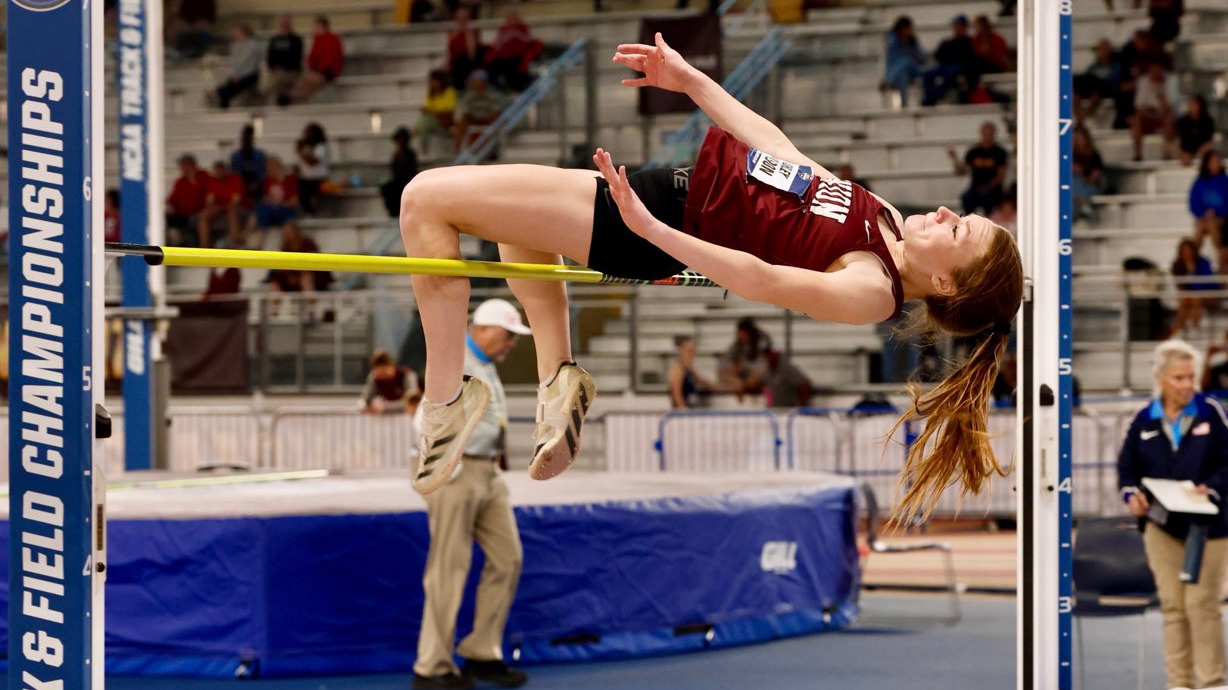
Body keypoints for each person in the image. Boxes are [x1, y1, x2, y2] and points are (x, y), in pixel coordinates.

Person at [398, 33, 1024, 521]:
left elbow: (759, 280)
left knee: (425, 199)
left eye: (958, 230)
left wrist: (654, 233)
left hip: (661, 221)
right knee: (516, 229)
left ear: (949, 286)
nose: (946, 213)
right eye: (960, 215)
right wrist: (688, 79)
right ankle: (557, 378)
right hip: (668, 193)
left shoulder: (871, 286)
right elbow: (779, 149)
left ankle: (446, 401)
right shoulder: (883, 219)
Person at [412, 298, 530, 690]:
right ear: (483, 329)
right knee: (449, 566)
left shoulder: (483, 366)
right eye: (508, 335)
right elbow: (424, 417)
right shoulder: (455, 359)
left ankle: (482, 650)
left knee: (507, 557)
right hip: (456, 470)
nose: (511, 343)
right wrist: (444, 464)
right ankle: (431, 665)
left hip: (486, 471)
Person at [1117, 339, 1228, 690]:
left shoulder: (1211, 412)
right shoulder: (1144, 420)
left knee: (1200, 604)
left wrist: (1209, 487)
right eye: (1179, 378)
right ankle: (1179, 684)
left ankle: (1212, 682)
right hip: (1161, 527)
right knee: (1173, 606)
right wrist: (1132, 495)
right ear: (1161, 378)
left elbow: (1227, 464)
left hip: (1208, 526)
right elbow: (1127, 468)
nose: (1186, 385)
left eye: (1190, 377)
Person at [950, 121, 1009, 216]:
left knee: (988, 198)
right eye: (985, 133)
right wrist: (954, 158)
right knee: (966, 198)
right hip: (975, 187)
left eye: (990, 133)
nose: (987, 136)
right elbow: (961, 171)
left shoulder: (1000, 152)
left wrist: (986, 187)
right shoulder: (974, 151)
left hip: (993, 188)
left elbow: (1000, 176)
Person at [284, 16, 344, 105]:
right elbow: (312, 58)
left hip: (328, 72)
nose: (314, 29)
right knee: (305, 81)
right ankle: (293, 96)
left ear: (321, 26)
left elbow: (331, 59)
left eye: (316, 26)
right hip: (319, 71)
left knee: (309, 82)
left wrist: (319, 70)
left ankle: (292, 97)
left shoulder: (333, 39)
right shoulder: (317, 39)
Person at [921, 15, 979, 107]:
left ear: (964, 27)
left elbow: (971, 60)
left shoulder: (969, 42)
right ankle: (930, 97)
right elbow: (937, 55)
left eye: (959, 25)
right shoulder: (948, 42)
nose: (956, 28)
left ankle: (933, 97)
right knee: (927, 74)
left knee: (951, 74)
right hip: (945, 67)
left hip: (959, 68)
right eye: (955, 25)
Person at [244, 156, 299, 245]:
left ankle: (254, 238)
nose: (268, 170)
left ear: (277, 166)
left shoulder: (289, 179)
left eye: (269, 167)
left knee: (287, 226)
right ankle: (253, 240)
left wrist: (279, 203)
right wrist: (270, 201)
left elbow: (294, 201)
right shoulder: (268, 181)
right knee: (259, 209)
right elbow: (266, 198)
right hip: (270, 211)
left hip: (285, 210)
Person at [1130, 61, 1178, 161]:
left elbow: (1168, 108)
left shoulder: (1172, 80)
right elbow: (1139, 107)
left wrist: (1159, 93)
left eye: (1157, 69)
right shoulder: (1144, 81)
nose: (1155, 73)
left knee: (1169, 119)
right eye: (1152, 70)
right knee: (1136, 119)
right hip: (1149, 115)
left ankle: (1168, 154)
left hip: (1165, 115)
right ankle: (1138, 155)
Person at [484, 8, 540, 92]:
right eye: (508, 17)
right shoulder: (503, 29)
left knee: (512, 66)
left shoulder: (522, 28)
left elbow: (527, 42)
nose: (510, 19)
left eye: (512, 16)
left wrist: (513, 32)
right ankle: (497, 89)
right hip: (503, 57)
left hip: (518, 56)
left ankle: (517, 88)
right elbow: (497, 45)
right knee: (492, 65)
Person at [1169, 238, 1217, 337]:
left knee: (1195, 297)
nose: (1187, 253)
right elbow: (1181, 286)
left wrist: (1193, 272)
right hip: (1190, 295)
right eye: (1184, 251)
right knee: (1186, 300)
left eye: (1189, 250)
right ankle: (1182, 328)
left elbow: (1207, 282)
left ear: (1194, 251)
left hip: (1208, 293)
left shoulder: (1203, 262)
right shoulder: (1178, 265)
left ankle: (1195, 328)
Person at [717, 316, 772, 401]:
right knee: (722, 372)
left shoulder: (763, 342)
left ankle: (768, 401)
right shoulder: (737, 345)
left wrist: (744, 367)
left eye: (741, 332)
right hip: (742, 380)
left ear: (748, 332)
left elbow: (765, 364)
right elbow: (723, 363)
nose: (739, 335)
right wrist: (732, 368)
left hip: (759, 377)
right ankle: (741, 394)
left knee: (759, 372)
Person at [1190, 150, 1228, 271]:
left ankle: (1221, 256)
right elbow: (1193, 204)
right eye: (1213, 161)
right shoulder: (1199, 182)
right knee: (1201, 225)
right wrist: (1203, 213)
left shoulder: (1225, 181)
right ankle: (1192, 259)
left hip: (1221, 218)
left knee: (1211, 224)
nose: (1216, 163)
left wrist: (1215, 212)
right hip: (1204, 218)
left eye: (1218, 161)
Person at [198, 160, 247, 248]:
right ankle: (204, 245)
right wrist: (215, 207)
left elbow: (236, 200)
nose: (219, 172)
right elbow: (209, 201)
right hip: (218, 207)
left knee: (231, 210)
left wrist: (225, 205)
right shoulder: (212, 181)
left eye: (221, 170)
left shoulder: (235, 180)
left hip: (233, 207)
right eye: (217, 170)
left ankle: (235, 241)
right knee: (203, 215)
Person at [165, 154, 212, 247]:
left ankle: (204, 247)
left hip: (199, 212)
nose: (182, 168)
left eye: (184, 165)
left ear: (191, 165)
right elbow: (172, 200)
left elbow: (209, 195)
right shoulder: (180, 181)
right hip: (182, 214)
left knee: (199, 219)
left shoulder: (204, 177)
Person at [454, 70, 503, 153]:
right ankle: (458, 149)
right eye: (474, 81)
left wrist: (487, 118)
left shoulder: (492, 95)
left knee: (497, 121)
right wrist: (472, 118)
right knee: (461, 122)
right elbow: (466, 111)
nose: (475, 84)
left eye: (478, 81)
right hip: (473, 119)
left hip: (488, 119)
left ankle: (494, 148)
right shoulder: (468, 95)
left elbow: (496, 111)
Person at [360, 349, 421, 415]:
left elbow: (413, 402)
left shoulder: (407, 375)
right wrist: (366, 406)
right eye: (379, 374)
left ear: (392, 366)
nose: (382, 377)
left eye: (384, 372)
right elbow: (365, 399)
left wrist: (386, 407)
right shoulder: (374, 378)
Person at [215, 25, 263, 108]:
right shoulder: (235, 46)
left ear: (243, 33)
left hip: (249, 76)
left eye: (237, 31)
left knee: (225, 93)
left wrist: (238, 77)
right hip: (238, 76)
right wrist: (233, 76)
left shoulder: (254, 46)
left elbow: (250, 65)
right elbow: (235, 64)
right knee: (220, 90)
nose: (233, 33)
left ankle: (224, 112)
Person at [882, 15, 925, 107]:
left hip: (913, 70)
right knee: (902, 76)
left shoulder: (912, 42)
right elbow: (889, 38)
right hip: (899, 73)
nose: (909, 31)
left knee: (906, 61)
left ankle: (887, 79)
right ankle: (904, 106)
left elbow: (921, 58)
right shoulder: (894, 41)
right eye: (907, 29)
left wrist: (911, 49)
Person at [668, 335, 718, 408]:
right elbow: (677, 396)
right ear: (681, 352)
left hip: (691, 409)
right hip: (682, 413)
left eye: (693, 351)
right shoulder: (677, 370)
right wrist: (684, 413)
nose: (691, 354)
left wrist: (722, 388)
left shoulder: (690, 370)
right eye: (689, 351)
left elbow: (704, 382)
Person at [417, 71, 458, 159]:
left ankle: (424, 147)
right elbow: (427, 110)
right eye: (431, 81)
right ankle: (424, 148)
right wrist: (436, 112)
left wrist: (435, 112)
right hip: (436, 120)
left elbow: (450, 110)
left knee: (424, 122)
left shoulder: (449, 92)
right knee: (425, 121)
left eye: (434, 80)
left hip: (448, 119)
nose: (432, 83)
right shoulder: (430, 94)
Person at [266, 15, 304, 105]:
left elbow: (296, 57)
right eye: (283, 23)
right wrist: (273, 67)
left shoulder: (296, 40)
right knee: (273, 80)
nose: (284, 25)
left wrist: (284, 67)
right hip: (276, 71)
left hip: (291, 71)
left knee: (273, 82)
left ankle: (263, 92)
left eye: (286, 23)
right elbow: (270, 57)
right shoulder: (274, 40)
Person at [382, 127, 420, 217]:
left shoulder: (410, 154)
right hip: (398, 182)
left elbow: (412, 170)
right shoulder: (396, 155)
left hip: (407, 182)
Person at [446, 8, 484, 91]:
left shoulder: (471, 33)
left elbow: (471, 53)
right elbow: (449, 50)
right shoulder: (452, 33)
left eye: (463, 18)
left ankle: (461, 88)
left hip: (467, 60)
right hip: (455, 61)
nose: (461, 21)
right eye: (459, 18)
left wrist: (466, 31)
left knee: (460, 61)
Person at [295, 123, 330, 214]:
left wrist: (299, 151)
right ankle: (308, 212)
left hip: (318, 178)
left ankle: (314, 212)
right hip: (305, 178)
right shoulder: (305, 147)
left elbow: (313, 162)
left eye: (309, 133)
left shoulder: (322, 147)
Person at [1175, 95, 1217, 167]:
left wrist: (1198, 152)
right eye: (1190, 104)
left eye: (1193, 104)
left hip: (1202, 149)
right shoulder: (1183, 121)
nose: (1190, 106)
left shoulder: (1207, 121)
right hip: (1186, 150)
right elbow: (1182, 138)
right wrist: (1185, 153)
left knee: (1208, 148)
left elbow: (1208, 139)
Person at [230, 125, 268, 203]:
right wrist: (243, 185)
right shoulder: (236, 156)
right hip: (241, 186)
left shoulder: (260, 155)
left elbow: (263, 172)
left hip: (257, 185)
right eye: (245, 138)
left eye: (249, 138)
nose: (247, 140)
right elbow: (234, 174)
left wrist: (256, 183)